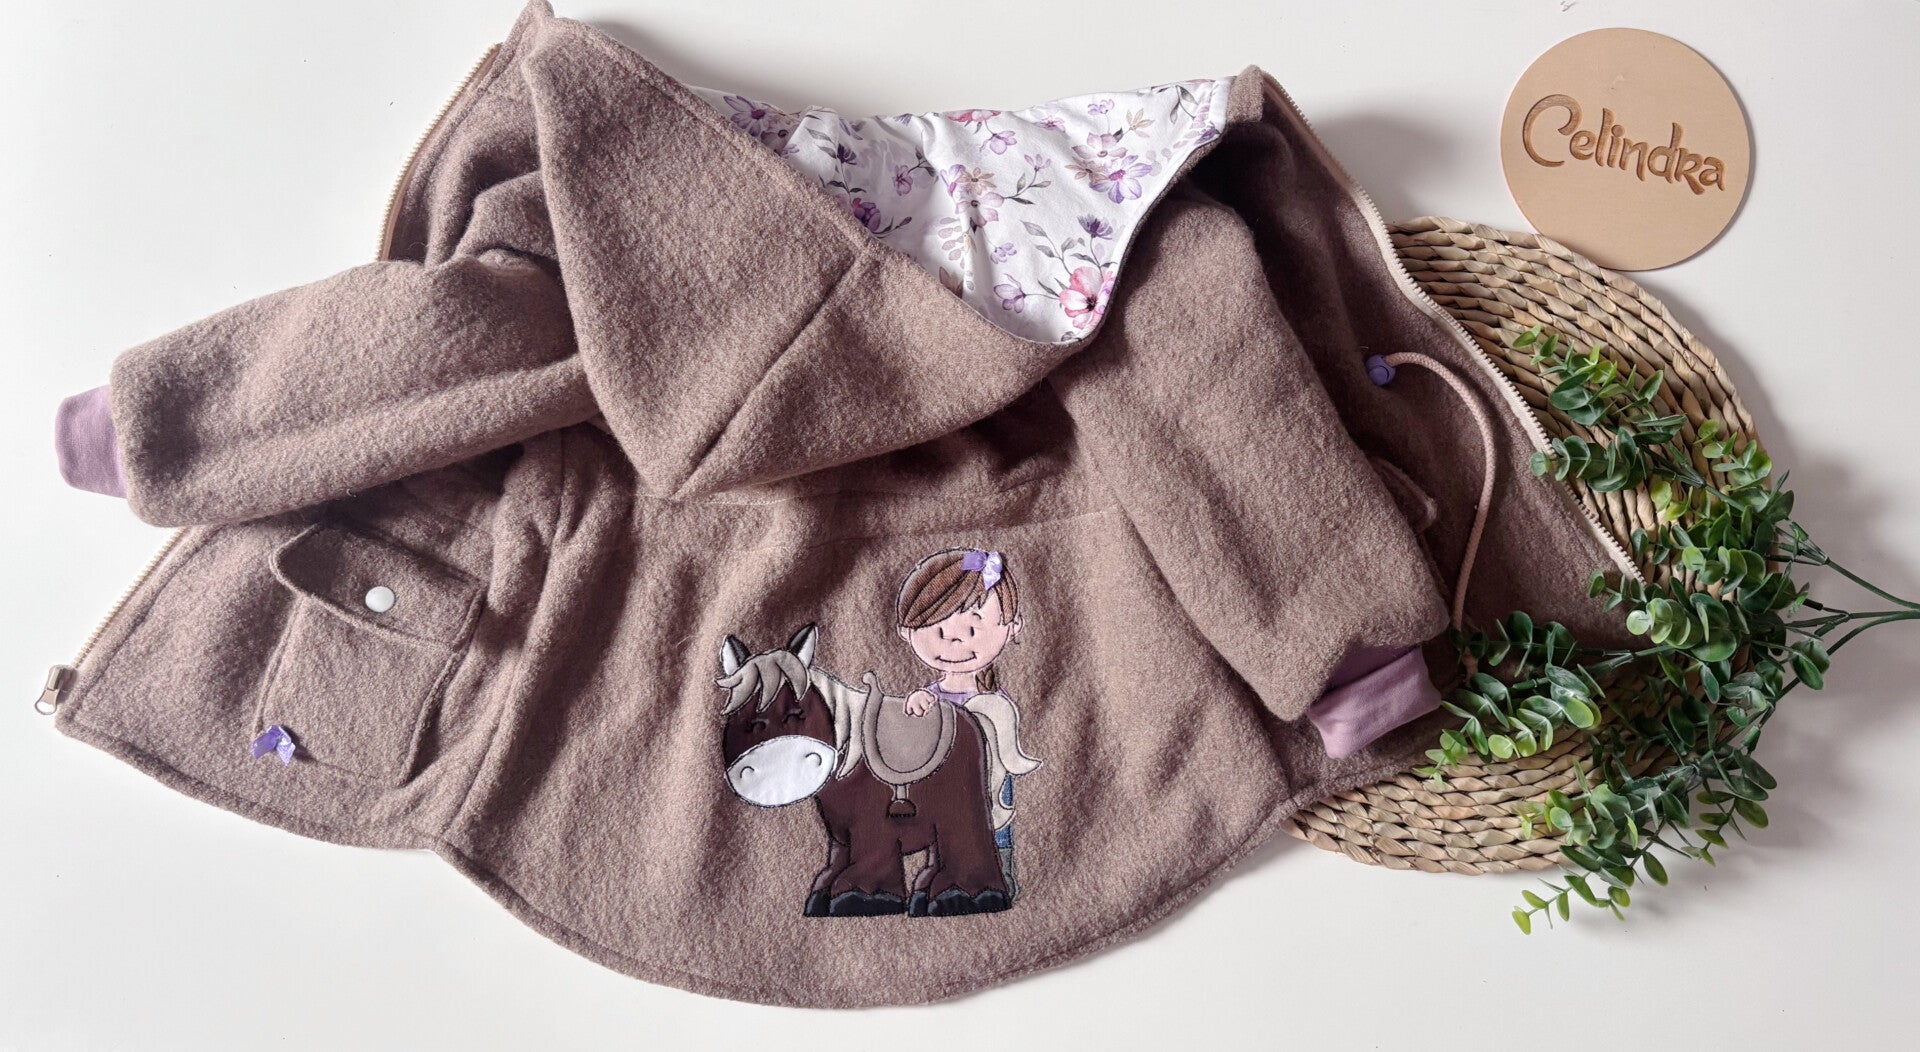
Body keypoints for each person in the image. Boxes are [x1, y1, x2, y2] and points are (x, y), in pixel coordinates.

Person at [896, 547, 1027, 896]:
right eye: (938, 630)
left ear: (1013, 627)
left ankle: (1001, 876)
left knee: (996, 821)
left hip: (990, 775)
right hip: (943, 782)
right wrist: (917, 704)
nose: (954, 639)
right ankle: (945, 876)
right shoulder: (932, 696)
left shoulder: (995, 702)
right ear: (906, 631)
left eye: (972, 628)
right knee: (946, 827)